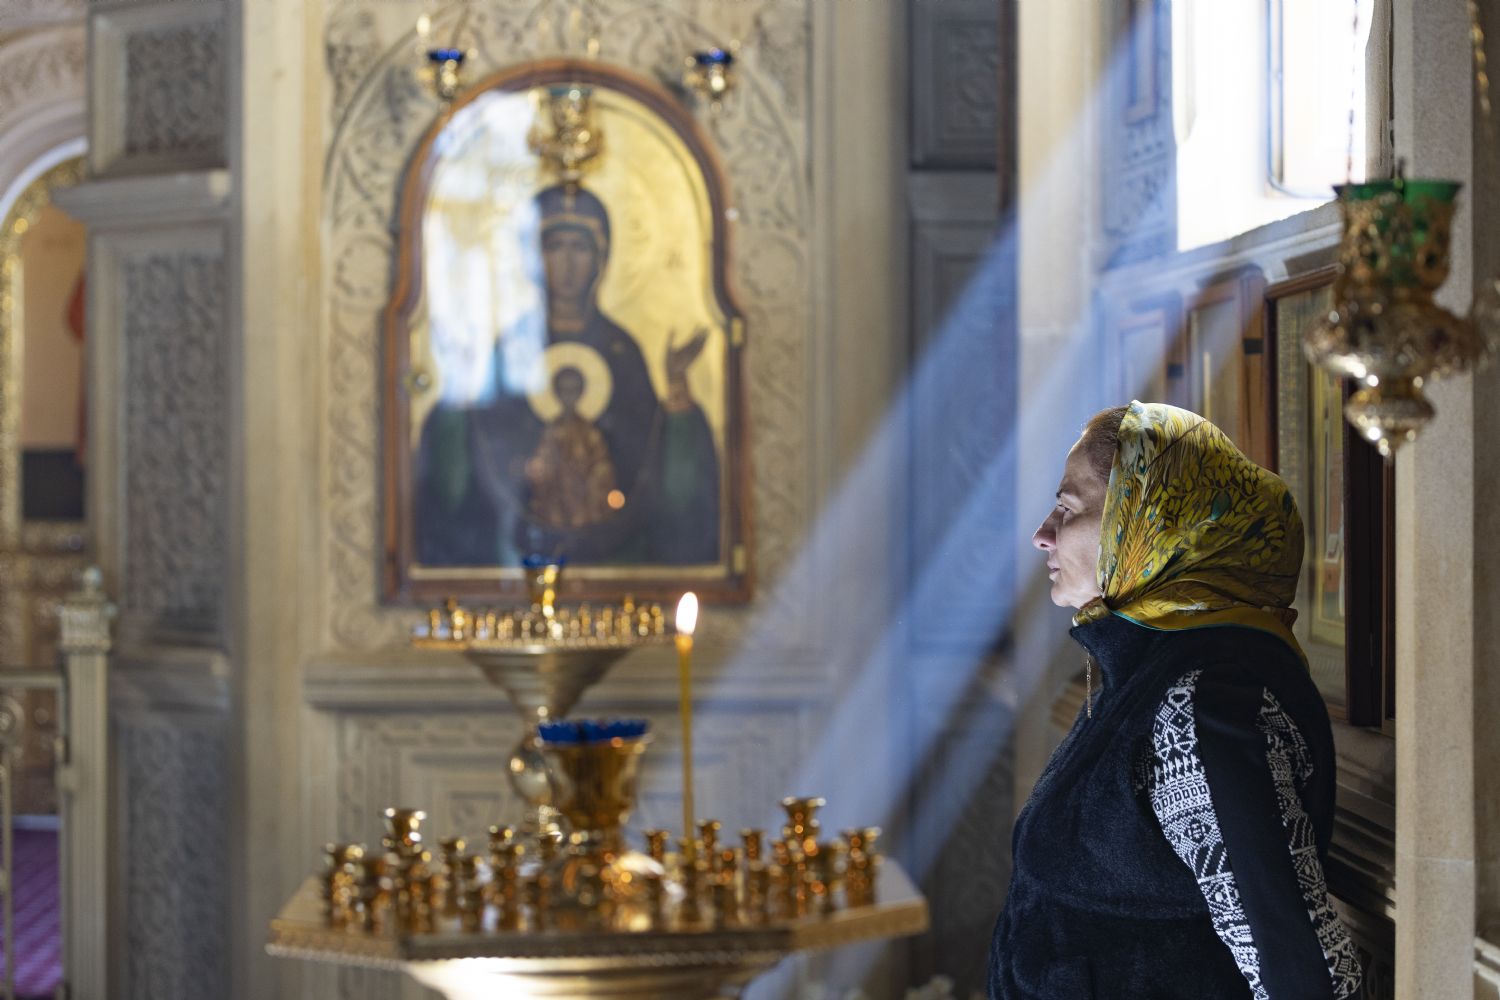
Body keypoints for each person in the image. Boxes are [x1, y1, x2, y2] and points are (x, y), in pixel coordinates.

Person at [988, 401, 1363, 1000]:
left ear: (1147, 521)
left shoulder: (1207, 701)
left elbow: (1303, 976)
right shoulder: (1150, 670)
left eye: (1068, 508)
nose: (1042, 534)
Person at [414, 183, 720, 566]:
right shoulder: (514, 346)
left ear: (601, 259)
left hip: (616, 549)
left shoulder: (622, 350)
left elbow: (650, 456)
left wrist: (676, 390)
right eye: (554, 247)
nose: (567, 263)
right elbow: (478, 455)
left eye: (580, 248)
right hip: (520, 549)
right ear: (534, 257)